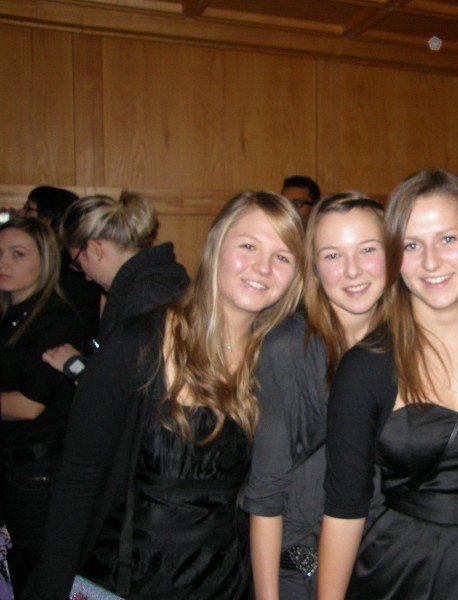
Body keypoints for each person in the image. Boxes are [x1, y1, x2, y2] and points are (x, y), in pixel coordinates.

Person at [25, 191, 305, 599]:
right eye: (249, 246)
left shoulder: (283, 360)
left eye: (282, 257)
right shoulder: (139, 343)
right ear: (216, 244)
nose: (263, 267)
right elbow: (79, 481)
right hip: (129, 581)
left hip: (228, 585)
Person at [318, 169, 458, 599]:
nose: (431, 262)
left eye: (447, 239)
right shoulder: (367, 367)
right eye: (412, 245)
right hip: (398, 574)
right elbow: (344, 513)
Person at [244, 192, 387, 599]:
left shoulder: (405, 346)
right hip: (302, 573)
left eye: (367, 250)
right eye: (332, 255)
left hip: (385, 567)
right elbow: (266, 494)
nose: (352, 270)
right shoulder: (289, 349)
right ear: (314, 267)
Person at [0, 217, 82, 594]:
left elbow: (29, 405)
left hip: (36, 473)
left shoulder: (55, 319)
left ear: (45, 261)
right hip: (12, 464)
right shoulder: (9, 312)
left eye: (17, 254)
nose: (4, 262)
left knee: (34, 578)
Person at [41, 191, 189, 379]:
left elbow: (139, 387)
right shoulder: (144, 285)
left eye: (78, 264)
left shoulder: (147, 297)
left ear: (95, 250)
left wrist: (76, 367)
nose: (85, 276)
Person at [22, 186, 102, 345]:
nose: (22, 214)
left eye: (28, 209)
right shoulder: (67, 258)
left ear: (47, 219)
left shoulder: (70, 264)